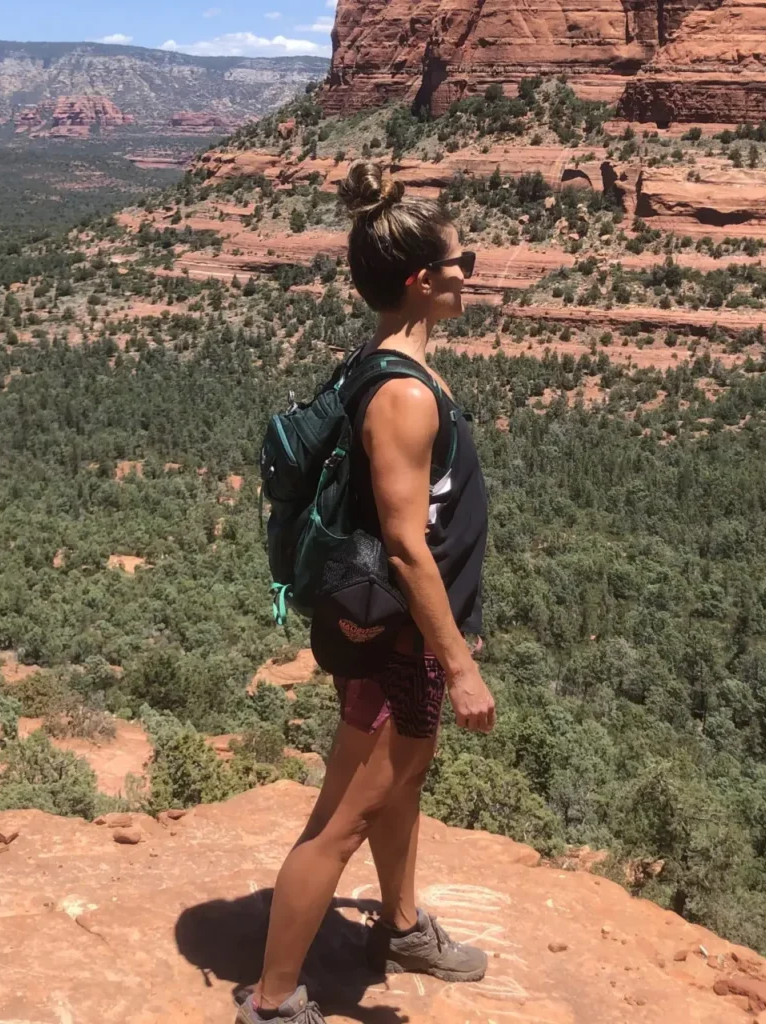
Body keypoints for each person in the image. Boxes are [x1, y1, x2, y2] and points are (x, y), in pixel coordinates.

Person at [236, 163, 496, 1024]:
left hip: (391, 632)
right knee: (343, 818)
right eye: (464, 262)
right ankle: (273, 1002)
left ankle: (402, 924)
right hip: (401, 644)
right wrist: (457, 662)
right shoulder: (403, 396)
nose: (472, 274)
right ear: (423, 281)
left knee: (399, 786)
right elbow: (407, 548)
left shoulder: (386, 362)